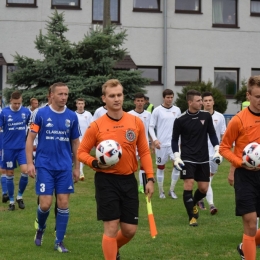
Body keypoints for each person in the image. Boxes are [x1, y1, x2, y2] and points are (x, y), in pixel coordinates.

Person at [77, 79, 154, 260]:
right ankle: (110, 254)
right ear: (104, 99)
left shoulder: (135, 122)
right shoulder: (96, 126)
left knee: (129, 230)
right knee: (111, 227)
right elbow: (81, 152)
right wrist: (94, 163)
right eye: (112, 96)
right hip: (106, 181)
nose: (116, 99)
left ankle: (111, 250)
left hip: (128, 180)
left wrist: (150, 178)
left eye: (119, 95)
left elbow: (144, 151)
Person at [26, 82, 80, 253]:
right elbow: (29, 139)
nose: (64, 97)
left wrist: (77, 167)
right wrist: (29, 163)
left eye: (66, 94)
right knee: (45, 204)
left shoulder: (71, 116)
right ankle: (40, 228)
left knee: (63, 203)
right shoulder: (40, 114)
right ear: (51, 95)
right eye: (60, 94)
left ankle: (59, 241)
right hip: (44, 165)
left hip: (64, 167)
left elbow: (75, 143)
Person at [219, 76, 260, 260]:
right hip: (245, 176)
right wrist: (238, 163)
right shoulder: (238, 120)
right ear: (248, 96)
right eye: (258, 96)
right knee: (251, 224)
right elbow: (224, 148)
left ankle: (245, 246)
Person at [171, 89, 222, 226]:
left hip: (204, 158)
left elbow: (212, 134)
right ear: (190, 102)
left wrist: (217, 149)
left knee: (204, 189)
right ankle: (192, 217)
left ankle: (193, 202)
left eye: (201, 100)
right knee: (188, 184)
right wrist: (177, 156)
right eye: (198, 100)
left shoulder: (206, 116)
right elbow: (174, 140)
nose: (201, 103)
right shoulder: (180, 120)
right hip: (187, 158)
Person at [0, 91, 31, 211]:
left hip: (22, 148)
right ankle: (12, 201)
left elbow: (31, 127)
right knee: (9, 174)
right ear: (10, 101)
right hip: (8, 148)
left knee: (25, 171)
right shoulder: (4, 113)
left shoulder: (26, 112)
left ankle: (19, 197)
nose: (17, 106)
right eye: (15, 103)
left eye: (19, 103)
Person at [149, 89, 181, 199]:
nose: (170, 99)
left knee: (177, 166)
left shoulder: (177, 110)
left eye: (171, 97)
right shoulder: (157, 110)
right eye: (168, 97)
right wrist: (155, 140)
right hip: (161, 145)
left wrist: (180, 142)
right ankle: (161, 191)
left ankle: (171, 190)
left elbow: (180, 127)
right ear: (163, 98)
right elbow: (151, 127)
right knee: (161, 167)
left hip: (174, 144)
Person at [197, 92, 226, 214]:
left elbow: (223, 134)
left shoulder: (220, 117)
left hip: (215, 154)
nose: (208, 102)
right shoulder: (198, 116)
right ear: (202, 102)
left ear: (213, 102)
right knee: (207, 180)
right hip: (202, 153)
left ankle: (200, 197)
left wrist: (223, 150)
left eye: (210, 100)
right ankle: (212, 205)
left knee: (209, 179)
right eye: (206, 100)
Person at [128, 92, 151, 193]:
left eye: (142, 101)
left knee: (143, 165)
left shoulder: (148, 114)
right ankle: (130, 184)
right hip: (132, 144)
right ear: (134, 102)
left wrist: (153, 142)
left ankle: (142, 185)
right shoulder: (129, 114)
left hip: (144, 144)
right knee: (131, 166)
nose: (140, 103)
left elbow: (150, 129)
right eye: (138, 101)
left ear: (145, 102)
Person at [75, 98, 93, 181]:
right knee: (79, 154)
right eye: (79, 103)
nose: (80, 105)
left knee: (84, 155)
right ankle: (81, 172)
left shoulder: (88, 114)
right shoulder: (73, 115)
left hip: (86, 138)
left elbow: (91, 126)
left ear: (84, 105)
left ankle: (80, 169)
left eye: (82, 103)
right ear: (76, 105)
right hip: (77, 139)